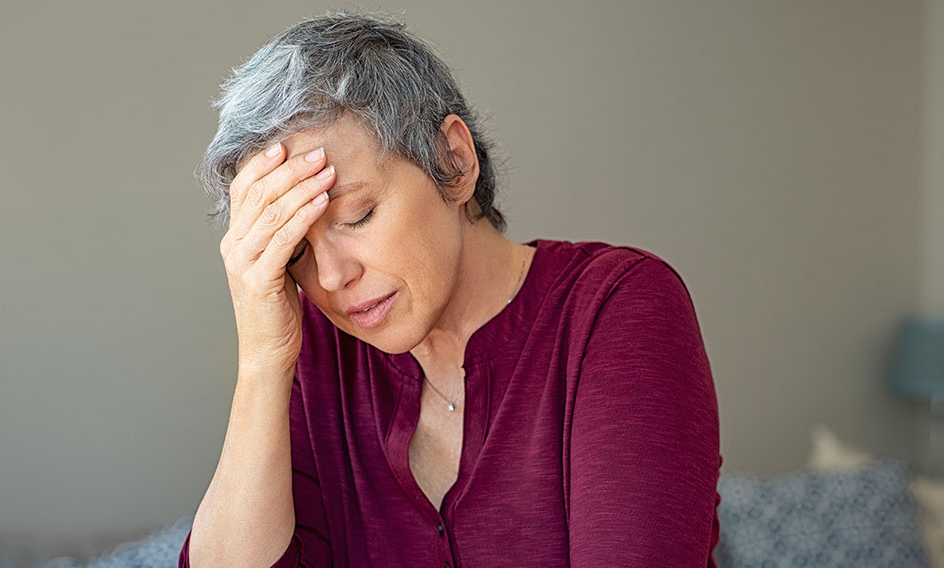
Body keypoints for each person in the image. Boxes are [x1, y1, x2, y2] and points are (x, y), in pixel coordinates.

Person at [177, 11, 721, 568]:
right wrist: (263, 362)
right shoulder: (312, 354)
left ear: (453, 161)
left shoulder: (616, 309)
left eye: (358, 216)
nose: (333, 277)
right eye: (296, 251)